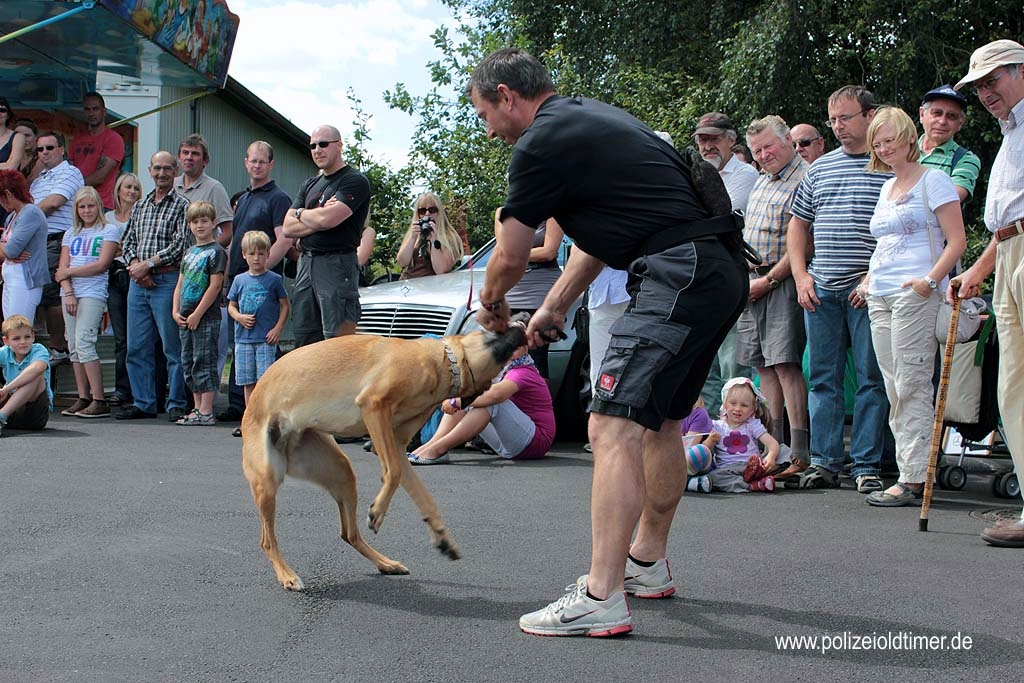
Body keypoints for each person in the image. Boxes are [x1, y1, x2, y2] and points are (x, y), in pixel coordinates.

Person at [469, 48, 747, 637]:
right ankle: (645, 564)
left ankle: (601, 594)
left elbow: (512, 255)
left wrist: (493, 304)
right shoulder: (595, 119)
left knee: (610, 426)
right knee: (664, 421)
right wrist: (555, 305)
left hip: (677, 271)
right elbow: (613, 232)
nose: (487, 128)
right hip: (715, 270)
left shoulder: (538, 142)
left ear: (506, 96)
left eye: (484, 113)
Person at [860, 107, 966, 507]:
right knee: (893, 384)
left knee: (912, 382)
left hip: (915, 292)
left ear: (908, 137)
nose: (884, 148)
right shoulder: (887, 187)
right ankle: (911, 469)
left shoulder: (934, 180)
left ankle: (915, 476)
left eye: (890, 139)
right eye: (878, 142)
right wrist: (870, 278)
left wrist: (929, 281)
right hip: (881, 292)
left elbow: (956, 240)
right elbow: (884, 242)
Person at [788, 85, 891, 494]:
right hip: (821, 288)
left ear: (869, 115)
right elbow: (799, 224)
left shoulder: (888, 165)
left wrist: (872, 277)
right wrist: (800, 276)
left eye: (845, 118)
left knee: (871, 378)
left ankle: (866, 463)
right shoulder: (819, 168)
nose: (838, 126)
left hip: (868, 289)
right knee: (823, 379)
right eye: (832, 120)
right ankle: (825, 461)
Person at [951, 39, 1024, 546]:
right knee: (1013, 388)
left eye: (992, 79)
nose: (984, 92)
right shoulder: (1009, 133)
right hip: (1009, 254)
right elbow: (1006, 223)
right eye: (978, 85)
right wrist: (979, 267)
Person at [738, 115, 810, 472]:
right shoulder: (762, 181)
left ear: (787, 142)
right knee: (763, 365)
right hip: (751, 281)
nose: (764, 155)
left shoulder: (804, 177)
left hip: (781, 281)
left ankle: (799, 452)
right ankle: (775, 447)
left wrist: (768, 282)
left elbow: (804, 245)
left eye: (769, 146)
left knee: (785, 363)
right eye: (757, 150)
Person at [218, 140, 293, 424]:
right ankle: (241, 407)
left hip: (262, 283)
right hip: (238, 280)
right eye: (253, 160)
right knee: (242, 344)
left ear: (271, 164)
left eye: (263, 161)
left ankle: (266, 414)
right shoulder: (245, 198)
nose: (257, 165)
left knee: (264, 350)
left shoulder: (278, 198)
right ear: (245, 162)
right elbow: (235, 241)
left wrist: (261, 273)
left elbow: (284, 239)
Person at [407, 324, 555, 464]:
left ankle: (438, 449)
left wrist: (456, 401)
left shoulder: (523, 371)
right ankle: (431, 445)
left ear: (525, 347)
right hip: (510, 443)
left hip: (535, 442)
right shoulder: (504, 368)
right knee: (471, 400)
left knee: (490, 403)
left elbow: (496, 395)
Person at [116, 151, 191, 422]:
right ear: (149, 170)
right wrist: (137, 266)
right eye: (157, 168)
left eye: (167, 169)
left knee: (172, 348)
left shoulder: (183, 205)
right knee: (136, 347)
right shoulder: (140, 206)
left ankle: (176, 404)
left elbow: (181, 244)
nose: (161, 174)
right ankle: (144, 402)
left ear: (175, 172)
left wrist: (147, 265)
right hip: (139, 284)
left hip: (167, 281)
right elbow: (128, 242)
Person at [282, 125, 371, 345]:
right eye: (312, 145)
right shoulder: (310, 184)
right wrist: (317, 218)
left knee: (338, 343)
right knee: (305, 338)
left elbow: (327, 220)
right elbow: (287, 228)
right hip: (306, 265)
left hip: (337, 265)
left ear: (339, 146)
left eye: (323, 144)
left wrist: (303, 214)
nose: (317, 149)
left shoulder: (354, 180)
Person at [693, 112, 756, 416]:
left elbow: (722, 221)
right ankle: (711, 435)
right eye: (702, 139)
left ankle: (739, 440)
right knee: (705, 366)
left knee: (734, 367)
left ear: (731, 140)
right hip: (703, 280)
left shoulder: (744, 175)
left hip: (732, 279)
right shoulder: (695, 173)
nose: (708, 146)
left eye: (714, 138)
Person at [54, 186, 120, 419]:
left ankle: (99, 399)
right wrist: (69, 292)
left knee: (85, 342)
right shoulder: (71, 232)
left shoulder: (108, 230)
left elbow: (101, 265)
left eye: (91, 205)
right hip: (70, 294)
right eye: (82, 206)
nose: (87, 210)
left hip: (93, 292)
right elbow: (61, 270)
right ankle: (83, 398)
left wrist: (69, 272)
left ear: (98, 207)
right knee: (73, 345)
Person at [226, 230, 289, 437]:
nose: (256, 258)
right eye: (252, 254)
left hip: (265, 340)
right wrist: (239, 317)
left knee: (265, 380)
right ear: (244, 254)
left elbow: (285, 305)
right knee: (247, 380)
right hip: (243, 339)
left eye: (261, 254)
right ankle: (250, 419)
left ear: (268, 254)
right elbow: (231, 305)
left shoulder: (274, 280)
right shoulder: (239, 280)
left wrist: (277, 328)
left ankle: (267, 420)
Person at [30, 131, 85, 362]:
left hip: (58, 239)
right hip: (37, 241)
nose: (44, 153)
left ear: (62, 149)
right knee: (39, 294)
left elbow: (54, 203)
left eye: (49, 148)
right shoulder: (38, 179)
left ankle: (59, 346)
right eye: (40, 149)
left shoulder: (70, 172)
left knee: (52, 294)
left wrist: (26, 216)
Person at [172, 201, 226, 426]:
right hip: (185, 317)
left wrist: (198, 314)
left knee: (204, 360)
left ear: (214, 222)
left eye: (204, 221)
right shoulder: (189, 252)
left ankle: (206, 409)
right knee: (189, 361)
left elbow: (215, 286)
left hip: (205, 317)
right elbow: (180, 283)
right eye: (195, 221)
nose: (200, 225)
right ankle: (196, 408)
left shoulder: (216, 252)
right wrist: (175, 311)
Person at [495, 209, 564, 377]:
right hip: (511, 294)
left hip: (542, 294)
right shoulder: (502, 212)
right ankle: (510, 401)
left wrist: (514, 255)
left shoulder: (553, 213)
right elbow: (501, 249)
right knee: (508, 358)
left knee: (537, 358)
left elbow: (549, 252)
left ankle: (540, 402)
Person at [105, 172, 143, 407]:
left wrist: (120, 249)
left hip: (135, 277)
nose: (131, 191)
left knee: (138, 339)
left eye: (135, 188)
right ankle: (122, 389)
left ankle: (142, 390)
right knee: (121, 339)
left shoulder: (141, 215)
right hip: (113, 278)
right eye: (127, 187)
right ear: (118, 190)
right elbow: (105, 250)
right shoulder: (108, 218)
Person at [705, 377, 781, 493]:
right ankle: (754, 485)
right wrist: (711, 440)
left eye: (744, 405)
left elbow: (773, 444)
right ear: (725, 404)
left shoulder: (752, 424)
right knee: (712, 477)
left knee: (784, 452)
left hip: (751, 465)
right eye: (733, 403)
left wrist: (771, 457)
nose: (738, 409)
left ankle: (753, 478)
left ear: (753, 408)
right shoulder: (717, 426)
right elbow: (705, 450)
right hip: (728, 469)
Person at [918, 85, 982, 204]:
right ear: (922, 114)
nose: (942, 121)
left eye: (951, 116)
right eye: (937, 113)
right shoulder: (902, 151)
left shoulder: (965, 160)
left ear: (960, 123)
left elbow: (948, 201)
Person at [0, 169, 49, 321]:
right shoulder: (12, 217)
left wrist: (5, 246)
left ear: (8, 194)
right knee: (10, 328)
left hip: (24, 281)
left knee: (20, 326)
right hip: (10, 279)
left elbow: (11, 251)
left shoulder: (30, 213)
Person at [173, 134, 233, 247]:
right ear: (179, 157)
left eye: (195, 154)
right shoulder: (172, 186)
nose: (189, 157)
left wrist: (205, 253)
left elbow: (227, 232)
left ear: (205, 160)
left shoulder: (214, 188)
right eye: (185, 152)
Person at [68, 92, 125, 211]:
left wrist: (72, 185)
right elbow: (70, 170)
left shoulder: (113, 138)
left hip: (101, 204)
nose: (91, 113)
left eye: (95, 109)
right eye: (87, 109)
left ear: (104, 111)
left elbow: (100, 177)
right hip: (77, 203)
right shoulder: (77, 139)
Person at [0, 314, 52, 437]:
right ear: (6, 341)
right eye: (16, 338)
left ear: (33, 336)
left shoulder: (38, 349)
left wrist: (6, 389)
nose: (23, 342)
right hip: (12, 412)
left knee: (37, 376)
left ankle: (1, 416)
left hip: (34, 415)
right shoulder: (5, 352)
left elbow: (37, 368)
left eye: (27, 337)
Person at [396, 193, 463, 279]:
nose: (427, 214)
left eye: (432, 210)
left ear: (439, 212)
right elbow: (402, 262)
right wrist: (412, 238)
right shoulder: (414, 233)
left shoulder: (450, 237)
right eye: (422, 211)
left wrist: (434, 240)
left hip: (431, 288)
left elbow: (440, 270)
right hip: (408, 285)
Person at [0, 97, 27, 172]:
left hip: (6, 182)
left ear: (8, 115)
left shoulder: (18, 137)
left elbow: (12, 166)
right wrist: (4, 164)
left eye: (2, 110)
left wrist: (8, 165)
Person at [14, 119, 41, 184]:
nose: (23, 139)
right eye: (19, 135)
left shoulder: (43, 156)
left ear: (36, 137)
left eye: (27, 135)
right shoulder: (10, 155)